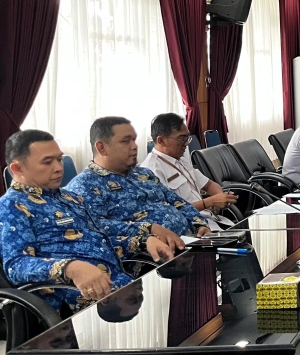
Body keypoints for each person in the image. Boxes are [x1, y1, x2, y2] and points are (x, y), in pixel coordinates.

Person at [0, 130, 173, 312]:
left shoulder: (70, 198)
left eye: (59, 159)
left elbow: (97, 243)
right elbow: (17, 266)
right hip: (79, 304)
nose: (58, 167)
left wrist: (142, 242)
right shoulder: (12, 206)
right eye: (47, 162)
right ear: (17, 169)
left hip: (121, 288)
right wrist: (70, 268)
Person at [66, 117, 210, 246]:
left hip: (192, 244)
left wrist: (199, 224)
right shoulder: (84, 186)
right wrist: (148, 228)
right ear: (101, 147)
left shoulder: (143, 174)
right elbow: (95, 227)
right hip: (151, 257)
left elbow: (178, 202)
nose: (134, 146)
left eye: (134, 140)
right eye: (125, 141)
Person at [140, 114, 238, 231]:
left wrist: (221, 197)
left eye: (187, 138)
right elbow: (167, 213)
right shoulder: (151, 170)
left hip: (210, 220)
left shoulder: (180, 160)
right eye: (182, 138)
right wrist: (209, 202)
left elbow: (209, 185)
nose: (186, 144)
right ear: (161, 140)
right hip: (190, 230)